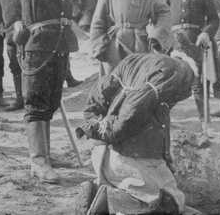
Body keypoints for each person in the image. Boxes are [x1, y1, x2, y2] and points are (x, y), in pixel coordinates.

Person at [74, 36, 199, 215]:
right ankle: (111, 200)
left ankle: (99, 191)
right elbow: (135, 107)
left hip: (104, 158)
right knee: (171, 203)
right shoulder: (179, 70)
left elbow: (100, 92)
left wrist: (97, 125)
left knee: (138, 187)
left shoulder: (135, 60)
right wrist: (113, 132)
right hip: (133, 160)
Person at [17, 0, 93, 183]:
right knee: (36, 102)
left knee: (50, 101)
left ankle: (45, 154)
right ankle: (38, 162)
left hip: (60, 44)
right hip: (37, 47)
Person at [167, 0, 219, 119]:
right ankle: (163, 119)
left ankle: (205, 120)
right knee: (170, 80)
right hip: (174, 44)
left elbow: (213, 20)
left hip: (195, 43)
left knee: (198, 84)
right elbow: (162, 18)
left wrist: (206, 34)